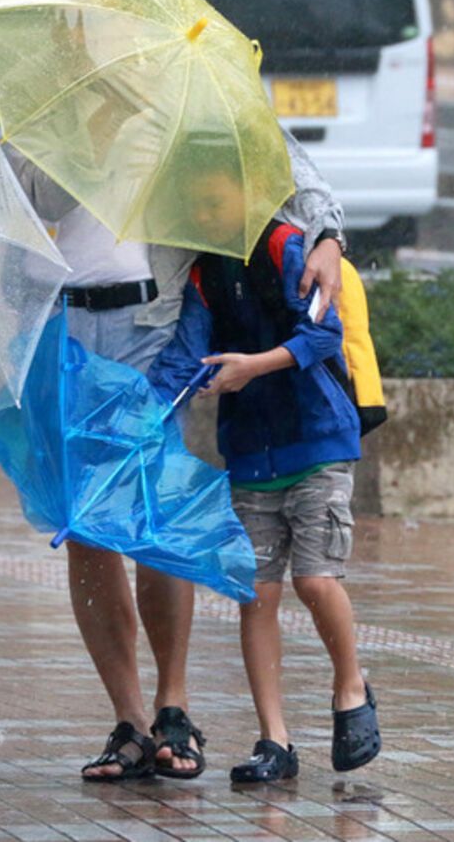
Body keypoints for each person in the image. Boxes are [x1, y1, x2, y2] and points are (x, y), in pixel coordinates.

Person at [6, 131, 345, 781]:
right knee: (87, 525)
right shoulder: (51, 103)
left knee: (150, 516)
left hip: (152, 321)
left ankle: (173, 705)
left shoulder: (181, 85)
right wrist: (93, 119)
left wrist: (327, 233)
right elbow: (33, 193)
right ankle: (129, 719)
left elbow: (282, 159)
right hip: (64, 325)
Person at [146, 160, 381, 784]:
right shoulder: (203, 275)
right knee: (257, 595)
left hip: (317, 441)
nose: (207, 207)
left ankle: (350, 685)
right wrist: (145, 413)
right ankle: (274, 740)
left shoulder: (286, 247)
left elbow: (322, 335)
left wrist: (254, 365)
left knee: (315, 581)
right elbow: (186, 354)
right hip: (250, 454)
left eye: (216, 191)